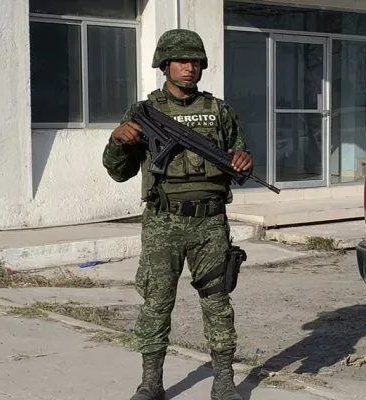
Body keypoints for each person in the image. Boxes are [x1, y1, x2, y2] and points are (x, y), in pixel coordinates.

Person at [102, 29, 253, 400]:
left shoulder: (220, 111)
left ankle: (223, 382)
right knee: (156, 302)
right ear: (165, 65)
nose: (190, 67)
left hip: (210, 222)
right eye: (182, 61)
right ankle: (150, 383)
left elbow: (241, 166)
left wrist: (244, 162)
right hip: (162, 221)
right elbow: (118, 171)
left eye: (196, 61)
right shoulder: (145, 112)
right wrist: (117, 141)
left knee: (218, 302)